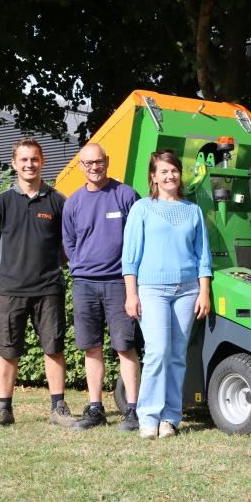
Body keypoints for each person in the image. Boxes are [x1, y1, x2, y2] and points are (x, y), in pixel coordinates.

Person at [0, 138, 75, 430]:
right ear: (14, 164)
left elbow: (68, 243)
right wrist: (9, 268)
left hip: (48, 290)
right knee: (8, 351)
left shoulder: (58, 200)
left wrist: (54, 266)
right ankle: (3, 409)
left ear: (42, 161)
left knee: (53, 348)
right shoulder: (2, 201)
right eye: (23, 159)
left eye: (34, 159)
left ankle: (58, 408)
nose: (29, 164)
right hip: (10, 290)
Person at [122, 149, 212, 439]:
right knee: (158, 352)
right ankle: (148, 417)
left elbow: (203, 256)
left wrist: (204, 291)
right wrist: (131, 294)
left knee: (177, 356)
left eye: (174, 170)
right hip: (152, 290)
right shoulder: (142, 208)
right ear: (153, 177)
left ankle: (170, 418)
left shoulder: (193, 210)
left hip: (188, 291)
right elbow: (130, 257)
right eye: (164, 171)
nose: (170, 175)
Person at [62, 143, 141, 431]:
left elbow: (139, 237)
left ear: (107, 161)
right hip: (84, 284)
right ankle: (95, 408)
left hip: (119, 283)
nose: (94, 167)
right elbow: (69, 242)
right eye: (88, 163)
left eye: (98, 161)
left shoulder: (126, 195)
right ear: (80, 166)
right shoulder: (73, 202)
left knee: (125, 347)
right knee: (91, 348)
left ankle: (133, 410)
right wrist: (81, 264)